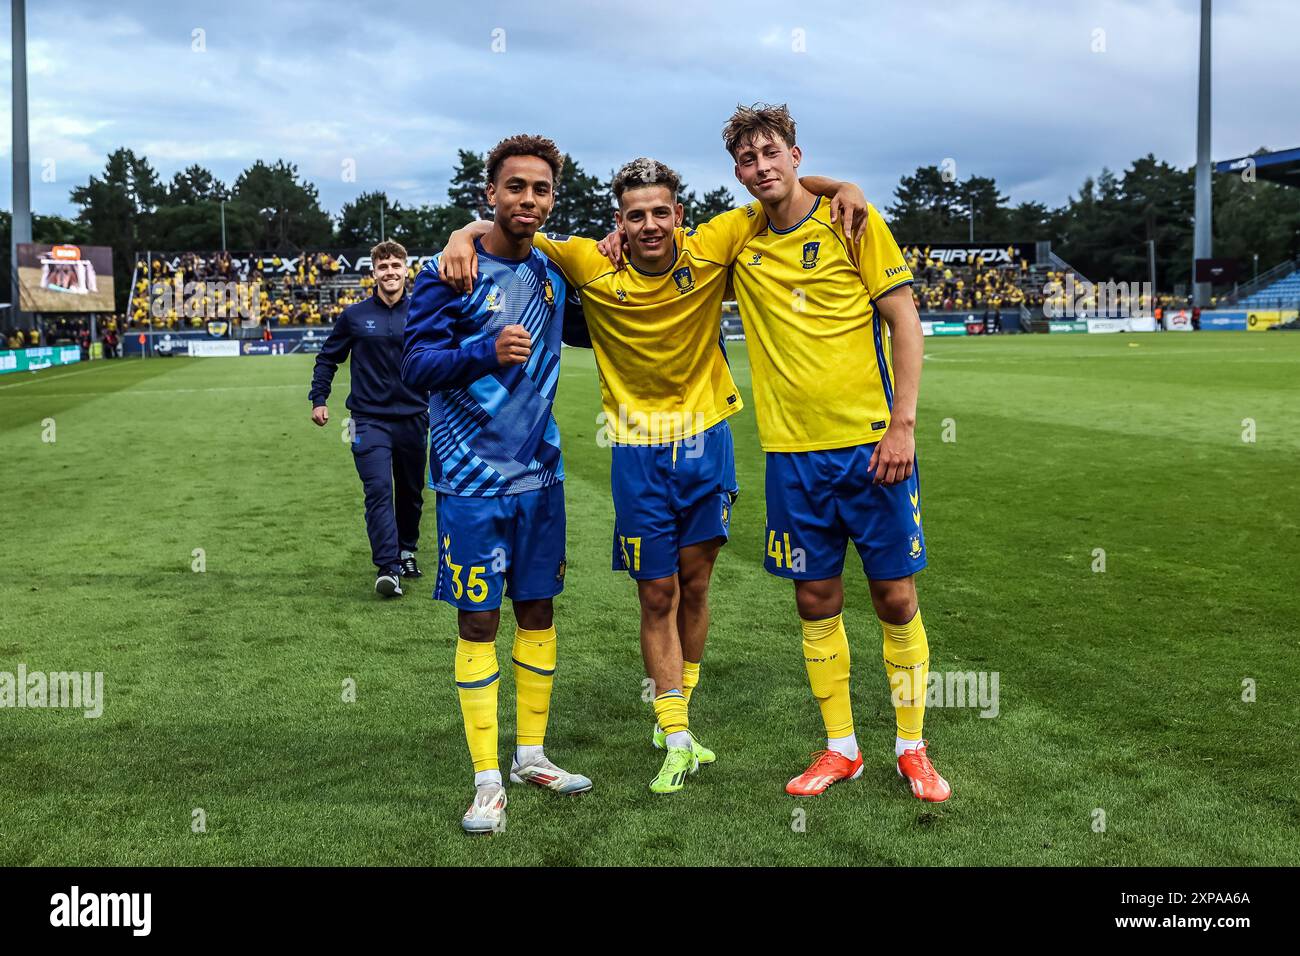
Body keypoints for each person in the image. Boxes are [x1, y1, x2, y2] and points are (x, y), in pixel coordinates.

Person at [440, 158, 868, 794]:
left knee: (695, 587)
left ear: (679, 217)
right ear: (618, 221)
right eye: (635, 215)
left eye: (660, 212)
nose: (649, 225)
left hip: (707, 443)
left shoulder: (714, 246)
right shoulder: (588, 260)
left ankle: (682, 718)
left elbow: (780, 195)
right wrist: (461, 235)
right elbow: (514, 224)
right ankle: (673, 731)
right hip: (637, 452)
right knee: (656, 592)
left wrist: (846, 187)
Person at [722, 102, 951, 802]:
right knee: (816, 600)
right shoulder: (740, 239)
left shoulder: (854, 220)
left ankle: (912, 748)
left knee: (895, 595)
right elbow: (661, 236)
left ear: (795, 153)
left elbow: (905, 323)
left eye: (773, 152)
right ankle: (842, 749)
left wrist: (904, 424)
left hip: (871, 447)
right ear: (737, 171)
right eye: (747, 158)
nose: (761, 166)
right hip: (791, 455)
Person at [401, 134, 591, 835]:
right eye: (516, 187)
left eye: (541, 190)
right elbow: (413, 365)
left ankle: (532, 756)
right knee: (479, 620)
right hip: (471, 481)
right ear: (491, 194)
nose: (529, 200)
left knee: (538, 613)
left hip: (541, 477)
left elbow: (593, 325)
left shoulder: (552, 269)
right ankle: (486, 781)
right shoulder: (448, 270)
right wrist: (483, 350)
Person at [309, 240, 429, 598]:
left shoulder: (423, 313)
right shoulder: (355, 316)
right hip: (367, 420)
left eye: (396, 265)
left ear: (406, 270)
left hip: (413, 417)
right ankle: (387, 568)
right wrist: (319, 399)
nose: (390, 272)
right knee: (378, 490)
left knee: (410, 493)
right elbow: (327, 358)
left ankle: (407, 549)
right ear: (373, 272)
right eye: (383, 266)